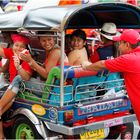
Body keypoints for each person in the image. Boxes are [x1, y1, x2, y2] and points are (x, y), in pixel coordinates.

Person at [81, 29, 140, 125]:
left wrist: (86, 66)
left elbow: (102, 64)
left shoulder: (129, 59)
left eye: (120, 43)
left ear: (127, 45)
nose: (118, 45)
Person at [0, 34, 33, 139]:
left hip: (19, 90)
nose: (18, 48)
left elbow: (26, 77)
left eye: (21, 46)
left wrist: (18, 66)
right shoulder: (11, 52)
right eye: (16, 45)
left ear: (25, 49)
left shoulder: (27, 58)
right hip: (10, 88)